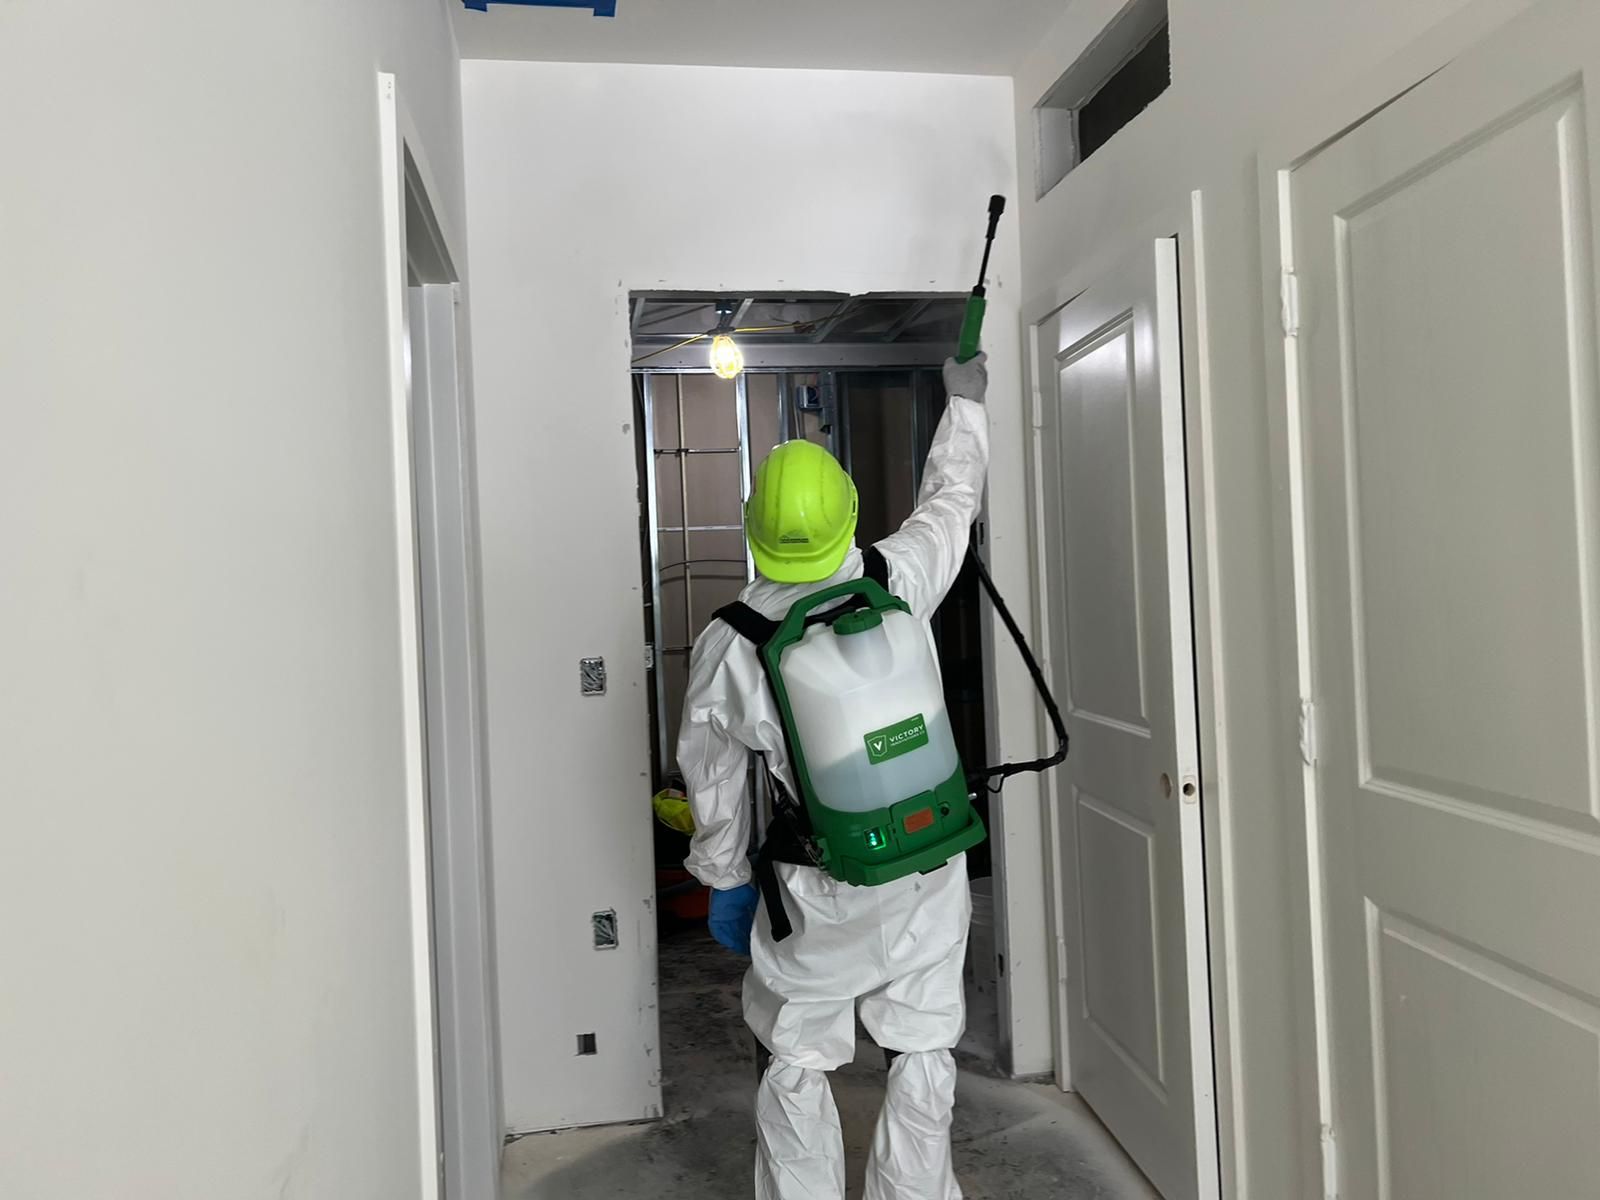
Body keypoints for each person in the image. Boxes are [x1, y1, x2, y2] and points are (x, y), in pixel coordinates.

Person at [677, 354, 990, 1200]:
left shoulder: (732, 638)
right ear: (851, 515)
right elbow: (951, 505)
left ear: (754, 529)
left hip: (816, 886)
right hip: (927, 867)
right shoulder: (899, 577)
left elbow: (712, 780)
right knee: (923, 1045)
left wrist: (724, 877)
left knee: (797, 1058)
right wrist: (964, 403)